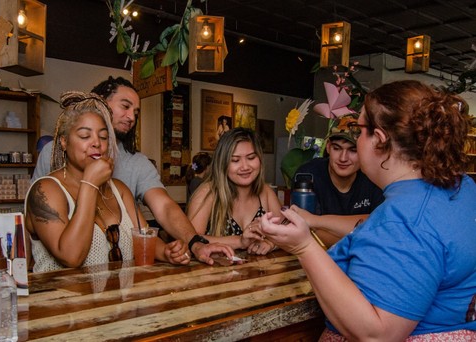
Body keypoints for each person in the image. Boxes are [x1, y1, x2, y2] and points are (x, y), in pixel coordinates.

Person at [259, 80, 476, 340]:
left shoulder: (406, 218)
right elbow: (382, 230)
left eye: (360, 131)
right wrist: (313, 222)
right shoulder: (460, 185)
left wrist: (304, 247)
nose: (356, 141)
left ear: (380, 140)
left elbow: (377, 334)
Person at [32, 76, 233, 264]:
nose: (131, 117)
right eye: (125, 106)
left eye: (103, 137)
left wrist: (183, 247)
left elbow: (160, 212)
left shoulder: (124, 183)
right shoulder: (49, 171)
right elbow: (50, 236)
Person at [24, 91, 190, 272]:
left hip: (120, 299)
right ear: (64, 142)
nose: (97, 143)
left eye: (103, 137)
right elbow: (71, 257)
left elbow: (143, 238)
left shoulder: (120, 190)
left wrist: (166, 252)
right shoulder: (45, 190)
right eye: (85, 136)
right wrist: (89, 184)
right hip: (62, 298)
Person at [187, 128, 283, 255]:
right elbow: (190, 239)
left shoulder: (266, 192)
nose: (245, 167)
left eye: (251, 157)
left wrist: (271, 244)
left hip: (257, 272)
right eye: (235, 160)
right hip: (213, 272)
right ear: (223, 163)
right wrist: (240, 241)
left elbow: (285, 234)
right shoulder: (207, 193)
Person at [293, 113, 384, 245]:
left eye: (353, 150)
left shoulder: (374, 178)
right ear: (328, 147)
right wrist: (360, 235)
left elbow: (379, 227)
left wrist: (315, 221)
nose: (343, 158)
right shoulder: (308, 174)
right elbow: (303, 230)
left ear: (363, 151)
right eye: (337, 148)